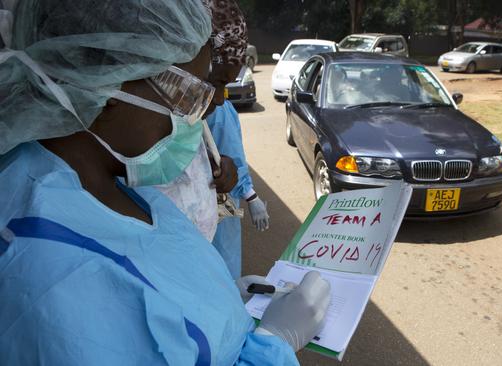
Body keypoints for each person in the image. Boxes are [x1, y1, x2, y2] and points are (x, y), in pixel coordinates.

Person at [0, 1, 330, 365]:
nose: (202, 112)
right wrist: (274, 344)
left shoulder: (104, 182)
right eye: (189, 95)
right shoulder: (59, 284)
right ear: (108, 85)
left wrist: (216, 301)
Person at [205, 0, 270, 278]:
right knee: (221, 265)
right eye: (218, 82)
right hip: (216, 208)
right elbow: (232, 156)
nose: (219, 97)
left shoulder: (216, 108)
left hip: (220, 205)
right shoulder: (216, 112)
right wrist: (252, 196)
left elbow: (231, 159)